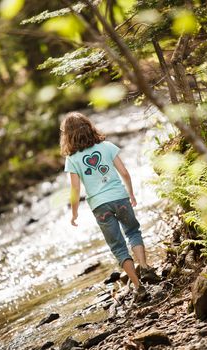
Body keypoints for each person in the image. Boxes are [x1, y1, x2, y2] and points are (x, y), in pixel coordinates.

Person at [60, 111, 160, 302]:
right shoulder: (106, 146)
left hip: (99, 206)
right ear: (89, 127)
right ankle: (145, 267)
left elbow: (75, 189)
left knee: (118, 247)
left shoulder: (72, 159)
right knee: (132, 231)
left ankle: (139, 287)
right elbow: (125, 172)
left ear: (67, 136)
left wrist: (74, 214)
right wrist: (130, 193)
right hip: (120, 198)